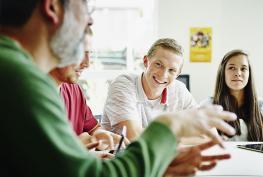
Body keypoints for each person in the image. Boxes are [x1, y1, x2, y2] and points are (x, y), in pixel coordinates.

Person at [0, 0, 237, 176]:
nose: (88, 33)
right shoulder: (17, 76)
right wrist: (169, 126)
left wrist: (151, 165)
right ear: (53, 7)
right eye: (88, 21)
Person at [101, 38, 198, 140]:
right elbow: (135, 137)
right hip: (120, 154)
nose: (163, 75)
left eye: (172, 70)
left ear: (178, 74)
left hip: (163, 154)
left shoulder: (179, 90)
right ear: (146, 61)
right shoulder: (123, 84)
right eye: (158, 64)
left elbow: (204, 130)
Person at [49, 27, 128, 151]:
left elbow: (94, 130)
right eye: (80, 53)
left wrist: (99, 137)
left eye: (89, 53)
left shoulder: (75, 90)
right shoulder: (32, 95)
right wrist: (77, 145)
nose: (87, 63)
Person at [200, 49, 263, 143]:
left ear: (249, 74)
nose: (238, 73)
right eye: (232, 68)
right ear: (223, 73)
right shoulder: (208, 106)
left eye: (243, 68)